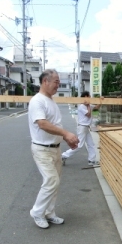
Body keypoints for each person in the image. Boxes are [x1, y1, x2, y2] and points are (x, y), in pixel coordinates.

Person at [28, 69, 79, 229]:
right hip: (42, 150)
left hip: (55, 148)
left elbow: (55, 125)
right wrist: (66, 133)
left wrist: (65, 138)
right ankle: (37, 212)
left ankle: (49, 213)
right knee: (51, 181)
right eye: (56, 82)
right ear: (45, 81)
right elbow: (42, 124)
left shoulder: (50, 100)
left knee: (54, 183)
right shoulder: (37, 101)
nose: (58, 85)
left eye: (59, 82)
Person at [61, 91, 103, 166]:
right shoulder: (81, 106)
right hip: (82, 127)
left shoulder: (89, 105)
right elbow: (88, 114)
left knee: (91, 144)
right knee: (79, 145)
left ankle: (91, 160)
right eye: (89, 96)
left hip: (86, 128)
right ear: (85, 97)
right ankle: (64, 155)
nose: (90, 97)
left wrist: (100, 101)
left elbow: (96, 108)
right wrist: (88, 106)